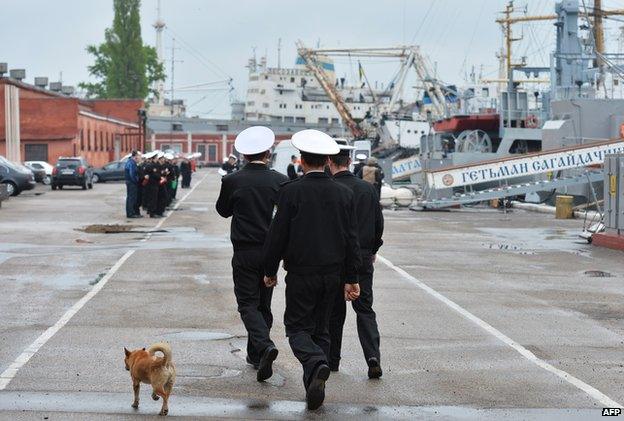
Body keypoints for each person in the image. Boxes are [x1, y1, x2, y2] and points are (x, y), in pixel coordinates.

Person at [263, 129, 361, 410]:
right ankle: (313, 388)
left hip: (301, 273)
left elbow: (277, 235)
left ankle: (317, 364)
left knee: (296, 329)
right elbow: (351, 239)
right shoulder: (344, 194)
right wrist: (352, 278)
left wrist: (270, 270)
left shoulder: (290, 192)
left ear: (302, 161)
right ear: (328, 162)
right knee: (322, 331)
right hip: (333, 274)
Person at [216, 126, 288, 383]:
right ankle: (255, 355)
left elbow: (223, 211)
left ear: (244, 155)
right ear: (268, 153)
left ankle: (265, 345)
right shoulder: (281, 180)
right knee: (263, 303)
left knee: (247, 304)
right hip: (271, 252)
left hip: (245, 250)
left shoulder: (232, 180)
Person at [328, 144, 384, 379]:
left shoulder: (330, 188)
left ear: (329, 162)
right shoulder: (367, 189)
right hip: (362, 257)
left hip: (334, 258)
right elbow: (377, 222)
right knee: (365, 310)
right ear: (350, 162)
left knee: (334, 311)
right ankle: (372, 358)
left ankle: (332, 361)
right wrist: (373, 248)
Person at [124, 151, 142, 218]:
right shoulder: (132, 163)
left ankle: (131, 212)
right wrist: (136, 181)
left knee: (131, 198)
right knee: (131, 198)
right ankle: (130, 213)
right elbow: (132, 174)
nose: (140, 157)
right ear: (136, 156)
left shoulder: (131, 162)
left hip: (130, 182)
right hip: (131, 183)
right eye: (139, 156)